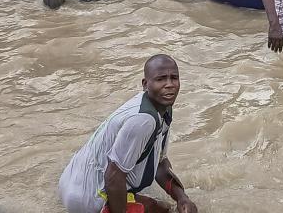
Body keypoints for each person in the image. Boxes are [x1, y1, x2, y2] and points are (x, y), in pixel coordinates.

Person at [58, 54, 198, 213]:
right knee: (160, 210)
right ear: (145, 84)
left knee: (167, 207)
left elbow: (160, 164)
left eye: (174, 78)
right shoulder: (144, 120)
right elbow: (113, 177)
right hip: (86, 197)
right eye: (161, 79)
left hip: (72, 180)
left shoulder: (161, 108)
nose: (169, 85)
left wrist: (181, 197)